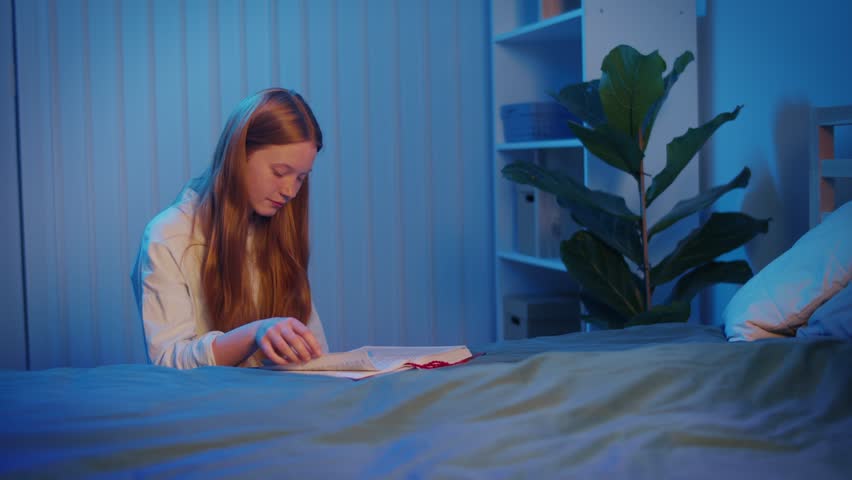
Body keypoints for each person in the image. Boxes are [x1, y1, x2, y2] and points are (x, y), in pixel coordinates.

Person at [131, 88, 328, 369]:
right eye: (280, 172)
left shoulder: (279, 231)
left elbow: (314, 350)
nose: (290, 191)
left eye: (301, 178)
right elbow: (167, 362)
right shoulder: (167, 235)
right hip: (206, 408)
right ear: (238, 155)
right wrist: (254, 334)